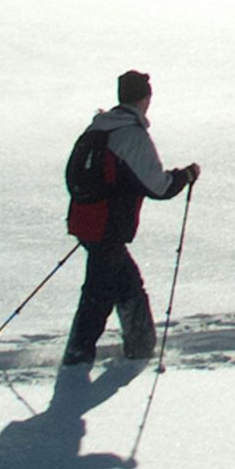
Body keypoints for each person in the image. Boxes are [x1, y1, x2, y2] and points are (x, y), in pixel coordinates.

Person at [62, 70, 201, 365]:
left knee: (122, 286)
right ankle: (81, 357)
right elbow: (159, 187)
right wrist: (186, 176)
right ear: (144, 98)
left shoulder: (99, 127)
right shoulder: (131, 135)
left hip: (85, 221)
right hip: (106, 226)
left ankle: (138, 349)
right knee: (101, 293)